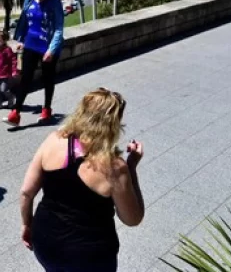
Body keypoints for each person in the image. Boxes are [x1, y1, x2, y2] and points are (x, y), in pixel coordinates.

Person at [19, 88, 145, 271]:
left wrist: (26, 224)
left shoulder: (53, 140)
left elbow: (25, 193)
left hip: (46, 240)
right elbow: (132, 219)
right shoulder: (114, 167)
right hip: (90, 255)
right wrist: (132, 167)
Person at [7, 0, 65, 126]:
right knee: (25, 78)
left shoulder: (54, 2)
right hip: (30, 44)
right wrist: (21, 39)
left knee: (48, 79)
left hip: (47, 47)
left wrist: (51, 50)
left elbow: (59, 28)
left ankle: (47, 109)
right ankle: (15, 112)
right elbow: (26, 18)